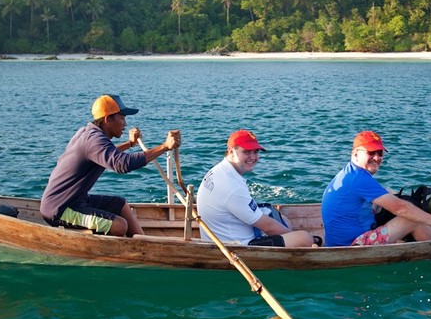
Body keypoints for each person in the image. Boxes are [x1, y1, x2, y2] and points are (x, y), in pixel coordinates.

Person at [40, 94, 181, 237]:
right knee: (119, 226)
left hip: (75, 200)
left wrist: (130, 144)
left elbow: (105, 154)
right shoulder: (94, 139)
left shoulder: (87, 133)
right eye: (122, 118)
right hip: (60, 209)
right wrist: (164, 146)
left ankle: (147, 247)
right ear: (108, 119)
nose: (125, 124)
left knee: (120, 205)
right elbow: (123, 164)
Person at [321, 131, 431, 247]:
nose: (377, 158)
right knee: (411, 219)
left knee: (393, 196)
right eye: (371, 153)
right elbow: (401, 208)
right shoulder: (358, 179)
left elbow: (386, 196)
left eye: (380, 153)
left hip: (339, 240)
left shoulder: (350, 172)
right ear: (355, 154)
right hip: (352, 245)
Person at [196, 129, 318, 247]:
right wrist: (299, 240)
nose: (253, 157)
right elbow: (268, 227)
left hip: (221, 237)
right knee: (305, 238)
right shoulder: (232, 187)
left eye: (255, 152)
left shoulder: (219, 171)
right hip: (236, 246)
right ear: (231, 151)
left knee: (284, 220)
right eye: (247, 152)